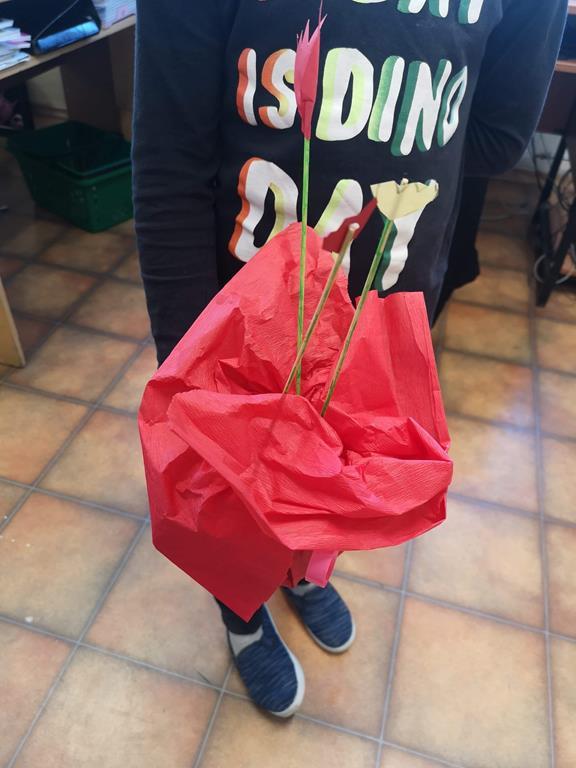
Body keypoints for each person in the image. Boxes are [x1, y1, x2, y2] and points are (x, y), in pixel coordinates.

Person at [132, 0, 567, 718]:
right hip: (240, 320)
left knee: (330, 476)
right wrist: (185, 356)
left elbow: (494, 136)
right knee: (233, 489)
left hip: (385, 311)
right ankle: (241, 609)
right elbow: (169, 155)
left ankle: (306, 570)